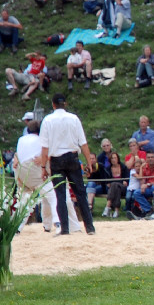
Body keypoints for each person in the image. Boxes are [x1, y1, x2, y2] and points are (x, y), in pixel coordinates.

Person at [37, 93, 95, 236]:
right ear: (65, 104)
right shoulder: (74, 118)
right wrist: (89, 162)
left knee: (60, 195)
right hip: (73, 158)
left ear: (53, 104)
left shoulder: (48, 120)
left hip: (56, 160)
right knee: (81, 193)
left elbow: (45, 148)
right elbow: (83, 143)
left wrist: (43, 167)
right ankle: (90, 227)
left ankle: (65, 228)